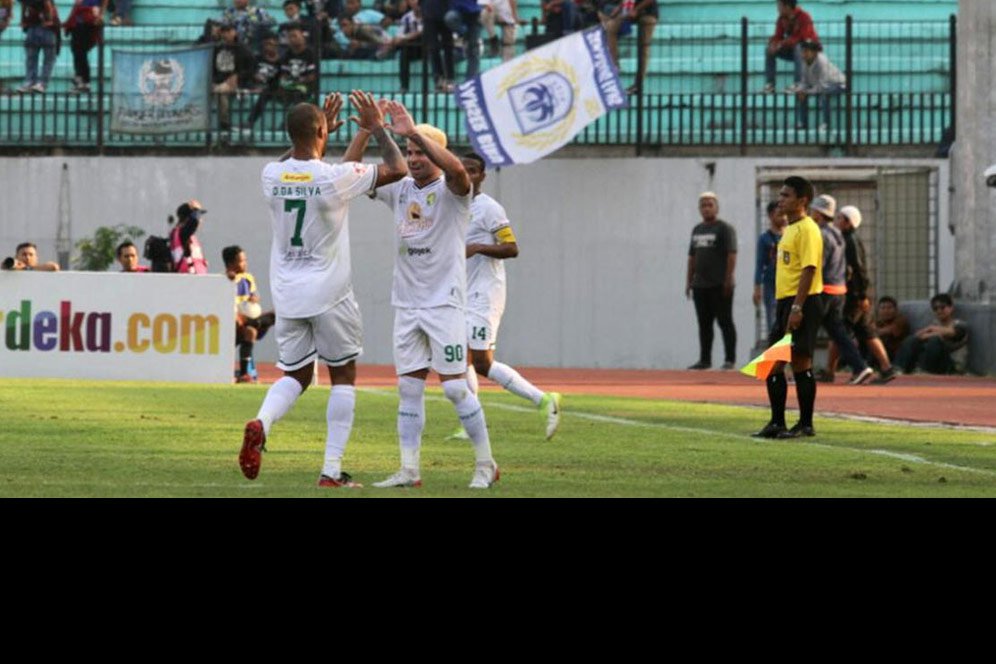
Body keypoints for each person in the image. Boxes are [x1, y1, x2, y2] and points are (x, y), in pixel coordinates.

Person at [239, 91, 408, 486]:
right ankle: (331, 470)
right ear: (321, 130)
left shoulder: (271, 174)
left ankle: (261, 422)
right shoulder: (333, 179)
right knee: (343, 375)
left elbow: (303, 165)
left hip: (288, 295)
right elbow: (397, 168)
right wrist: (377, 129)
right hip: (330, 293)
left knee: (295, 375)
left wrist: (328, 135)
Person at [365, 120, 500, 490]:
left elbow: (457, 169)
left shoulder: (455, 191)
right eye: (410, 152)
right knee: (409, 389)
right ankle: (409, 469)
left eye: (420, 151)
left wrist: (412, 130)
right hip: (407, 304)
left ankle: (486, 464)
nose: (413, 158)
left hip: (444, 304)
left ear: (437, 152)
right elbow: (384, 169)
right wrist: (379, 131)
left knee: (456, 389)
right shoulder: (401, 188)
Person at [445, 152, 562, 442]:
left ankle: (545, 400)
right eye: (464, 170)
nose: (468, 176)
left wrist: (478, 247)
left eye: (474, 171)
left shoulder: (490, 209)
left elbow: (512, 248)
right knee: (460, 360)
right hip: (461, 293)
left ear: (482, 176)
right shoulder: (452, 206)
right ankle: (472, 421)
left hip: (485, 294)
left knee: (481, 363)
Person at [752, 176, 822, 439]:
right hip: (786, 302)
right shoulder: (789, 229)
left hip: (802, 302)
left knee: (800, 362)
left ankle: (805, 424)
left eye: (786, 195)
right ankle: (777, 422)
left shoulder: (808, 229)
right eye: (780, 195)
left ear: (801, 200)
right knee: (772, 364)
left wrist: (797, 308)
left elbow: (809, 269)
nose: (780, 200)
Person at [809, 194, 874, 385]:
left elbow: (816, 266)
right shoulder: (837, 234)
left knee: (805, 329)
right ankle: (860, 367)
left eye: (813, 211)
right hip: (838, 290)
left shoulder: (820, 235)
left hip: (823, 289)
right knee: (838, 333)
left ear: (819, 214)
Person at [833, 204, 898, 383]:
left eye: (840, 218)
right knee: (867, 332)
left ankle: (838, 370)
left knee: (838, 330)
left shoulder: (849, 240)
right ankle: (886, 368)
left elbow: (858, 269)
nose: (836, 221)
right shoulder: (846, 238)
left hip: (853, 296)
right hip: (857, 294)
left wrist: (861, 295)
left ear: (847, 222)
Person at [685, 191, 737, 370]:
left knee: (724, 321)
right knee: (704, 323)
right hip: (700, 285)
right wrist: (688, 281)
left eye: (710, 205)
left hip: (719, 284)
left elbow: (731, 255)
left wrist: (728, 279)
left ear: (716, 207)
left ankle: (730, 359)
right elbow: (692, 257)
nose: (706, 208)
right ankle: (704, 359)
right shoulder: (697, 230)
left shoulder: (724, 229)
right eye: (703, 205)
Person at [223, 245, 275, 383]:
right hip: (235, 323)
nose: (245, 263)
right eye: (241, 261)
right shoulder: (226, 280)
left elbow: (255, 295)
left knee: (273, 316)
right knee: (250, 329)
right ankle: (245, 374)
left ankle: (244, 374)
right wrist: (229, 277)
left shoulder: (248, 278)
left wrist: (254, 299)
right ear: (230, 264)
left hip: (248, 319)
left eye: (245, 260)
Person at [894, 293, 969, 375]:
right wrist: (921, 335)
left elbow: (953, 333)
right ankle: (898, 368)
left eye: (942, 307)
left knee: (935, 340)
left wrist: (930, 330)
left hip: (952, 365)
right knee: (912, 340)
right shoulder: (934, 325)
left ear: (951, 308)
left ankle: (924, 370)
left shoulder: (960, 324)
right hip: (935, 363)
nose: (939, 311)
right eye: (935, 308)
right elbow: (918, 336)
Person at [599, 0, 657, 95]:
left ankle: (638, 85)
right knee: (611, 26)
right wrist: (618, 9)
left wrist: (636, 10)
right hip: (632, 12)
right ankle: (615, 65)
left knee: (643, 49)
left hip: (648, 13)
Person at [763, 0, 817, 94]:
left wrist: (782, 43)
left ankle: (798, 83)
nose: (777, 8)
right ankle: (770, 85)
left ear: (787, 6)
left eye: (779, 5)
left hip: (809, 51)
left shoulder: (804, 17)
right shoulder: (781, 19)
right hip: (793, 50)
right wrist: (773, 43)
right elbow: (778, 36)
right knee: (769, 50)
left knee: (798, 47)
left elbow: (804, 38)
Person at [795, 39, 845, 130]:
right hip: (821, 84)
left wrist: (806, 91)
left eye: (806, 51)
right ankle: (803, 123)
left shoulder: (822, 61)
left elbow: (822, 86)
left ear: (814, 53)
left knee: (824, 94)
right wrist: (800, 90)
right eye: (803, 51)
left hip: (838, 83)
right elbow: (804, 81)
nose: (803, 54)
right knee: (801, 94)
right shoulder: (804, 61)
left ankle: (826, 123)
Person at [753, 200, 786, 335]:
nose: (784, 218)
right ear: (771, 216)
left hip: (788, 283)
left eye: (784, 214)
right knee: (772, 317)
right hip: (771, 282)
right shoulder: (764, 239)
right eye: (779, 214)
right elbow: (760, 264)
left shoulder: (791, 236)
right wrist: (757, 288)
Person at [16, 0, 60, 94]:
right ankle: (39, 83)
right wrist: (50, 20)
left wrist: (23, 20)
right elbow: (47, 4)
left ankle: (32, 82)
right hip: (42, 27)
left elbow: (46, 4)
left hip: (38, 26)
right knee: (45, 58)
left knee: (34, 57)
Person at [63, 0, 106, 94]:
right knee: (76, 50)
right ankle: (81, 78)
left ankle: (84, 80)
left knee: (80, 51)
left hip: (88, 18)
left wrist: (101, 14)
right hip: (79, 20)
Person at [169, 200, 209, 274]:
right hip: (188, 279)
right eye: (199, 215)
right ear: (189, 218)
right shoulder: (183, 233)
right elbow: (194, 221)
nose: (201, 220)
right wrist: (195, 209)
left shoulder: (181, 233)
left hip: (194, 278)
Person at [874, 295, 909, 362]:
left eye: (889, 308)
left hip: (896, 353)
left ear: (896, 310)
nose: (886, 311)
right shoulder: (878, 321)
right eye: (883, 308)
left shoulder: (900, 320)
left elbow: (887, 331)